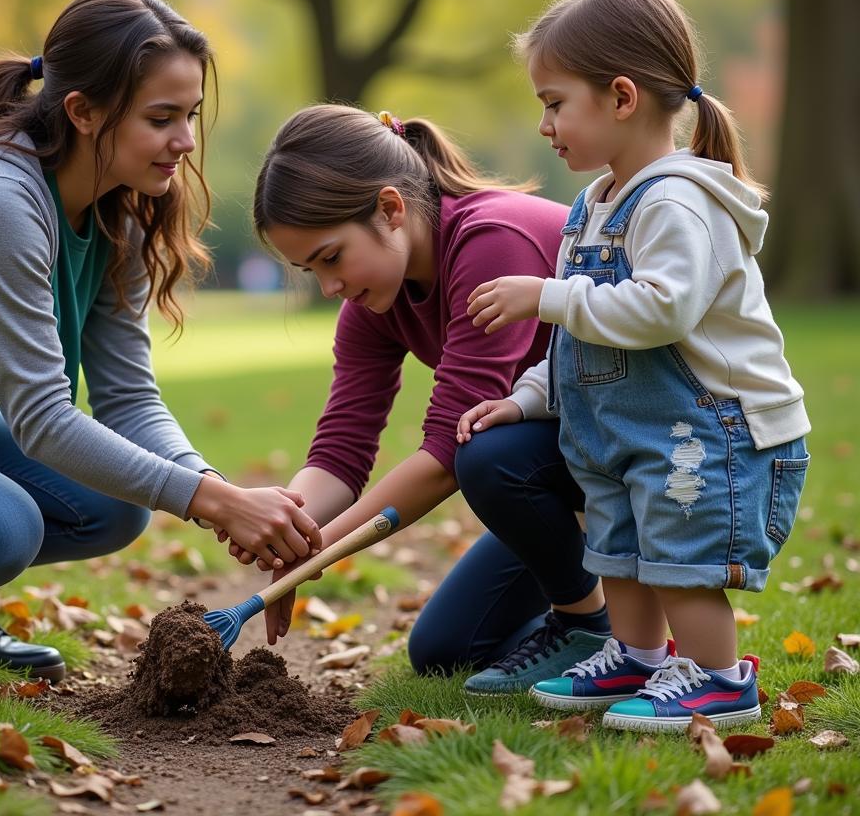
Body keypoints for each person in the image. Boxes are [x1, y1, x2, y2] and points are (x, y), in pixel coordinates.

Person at [0, 0, 319, 680]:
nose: (184, 141)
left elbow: (126, 400)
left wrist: (212, 488)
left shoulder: (117, 213)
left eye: (190, 116)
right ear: (83, 112)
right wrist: (218, 504)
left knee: (111, 507)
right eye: (161, 118)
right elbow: (41, 419)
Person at [459, 0, 810, 730]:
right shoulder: (595, 203)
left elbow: (661, 310)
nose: (546, 125)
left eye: (555, 103)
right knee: (617, 553)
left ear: (621, 97)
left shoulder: (678, 200)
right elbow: (580, 340)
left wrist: (543, 294)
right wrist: (526, 397)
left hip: (713, 431)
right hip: (626, 431)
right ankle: (638, 658)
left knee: (682, 564)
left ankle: (720, 678)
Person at [242, 103, 612, 687]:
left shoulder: (491, 241)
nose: (330, 286)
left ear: (390, 209)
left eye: (331, 257)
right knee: (448, 649)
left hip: (644, 448)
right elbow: (342, 449)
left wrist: (317, 552)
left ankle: (587, 623)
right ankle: (606, 633)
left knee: (483, 451)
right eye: (309, 270)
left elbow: (446, 455)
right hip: (558, 464)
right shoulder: (371, 300)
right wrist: (290, 526)